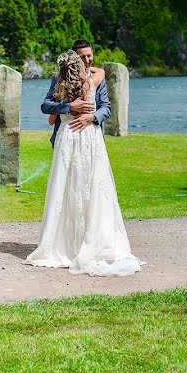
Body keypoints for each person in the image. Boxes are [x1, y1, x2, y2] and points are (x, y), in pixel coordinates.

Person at [24, 45, 142, 277]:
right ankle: (71, 242)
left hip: (88, 134)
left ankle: (85, 240)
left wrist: (92, 116)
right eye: (84, 57)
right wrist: (70, 106)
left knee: (92, 187)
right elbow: (47, 106)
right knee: (68, 189)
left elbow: (106, 107)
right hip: (71, 139)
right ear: (76, 59)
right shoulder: (70, 81)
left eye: (90, 56)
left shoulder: (90, 80)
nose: (88, 60)